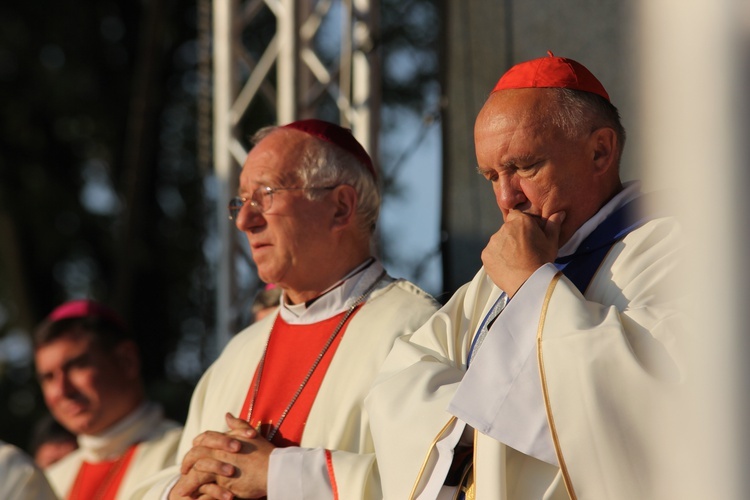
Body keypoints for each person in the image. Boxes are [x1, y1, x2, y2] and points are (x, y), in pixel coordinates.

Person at [366, 52, 689, 499]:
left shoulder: (677, 248)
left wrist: (531, 285)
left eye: (524, 166)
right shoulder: (491, 278)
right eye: (491, 176)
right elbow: (398, 383)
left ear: (600, 151)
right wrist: (482, 411)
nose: (506, 197)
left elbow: (656, 397)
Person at [135, 119, 439, 500]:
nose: (245, 220)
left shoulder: (416, 331)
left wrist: (281, 474)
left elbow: (435, 483)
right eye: (240, 202)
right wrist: (186, 490)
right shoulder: (239, 354)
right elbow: (176, 473)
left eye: (266, 194)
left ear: (340, 207)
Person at [33, 299, 183, 499]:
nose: (62, 390)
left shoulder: (184, 452)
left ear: (126, 360)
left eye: (77, 366)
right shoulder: (51, 480)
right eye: (49, 377)